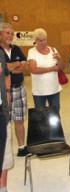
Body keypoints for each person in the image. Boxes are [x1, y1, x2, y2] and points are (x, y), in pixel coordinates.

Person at [0, 23, 28, 157]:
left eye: (11, 33)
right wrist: (16, 64)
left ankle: (22, 147)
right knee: (4, 121)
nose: (10, 35)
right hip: (3, 92)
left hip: (19, 89)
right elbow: (5, 69)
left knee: (19, 119)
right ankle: (4, 150)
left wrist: (11, 66)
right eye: (7, 33)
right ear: (0, 34)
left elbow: (24, 65)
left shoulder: (16, 48)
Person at [27, 28, 64, 112]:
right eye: (40, 41)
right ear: (35, 40)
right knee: (41, 117)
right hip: (39, 92)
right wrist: (51, 69)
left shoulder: (53, 50)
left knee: (55, 115)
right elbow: (33, 70)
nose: (43, 43)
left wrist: (59, 59)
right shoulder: (32, 52)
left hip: (54, 90)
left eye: (45, 40)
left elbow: (62, 67)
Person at [0, 50, 11, 192]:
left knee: (3, 152)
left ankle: (3, 187)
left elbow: (6, 74)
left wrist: (7, 100)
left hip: (1, 110)